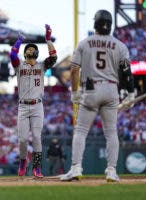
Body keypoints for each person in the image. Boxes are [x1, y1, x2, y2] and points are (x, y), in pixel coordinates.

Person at [59, 10, 134, 182]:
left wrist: (75, 92)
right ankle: (111, 171)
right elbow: (126, 72)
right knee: (111, 133)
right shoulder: (120, 45)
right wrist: (130, 93)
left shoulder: (85, 43)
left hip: (91, 89)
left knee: (81, 131)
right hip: (111, 89)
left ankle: (76, 168)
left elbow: (74, 69)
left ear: (95, 24)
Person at [10, 24, 57, 178]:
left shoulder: (42, 65)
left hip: (37, 105)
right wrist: (19, 41)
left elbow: (54, 57)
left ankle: (37, 168)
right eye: (27, 49)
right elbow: (12, 55)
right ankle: (23, 161)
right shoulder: (19, 66)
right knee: (23, 139)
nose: (29, 50)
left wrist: (48, 40)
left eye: (32, 48)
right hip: (23, 107)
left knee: (37, 136)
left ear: (36, 52)